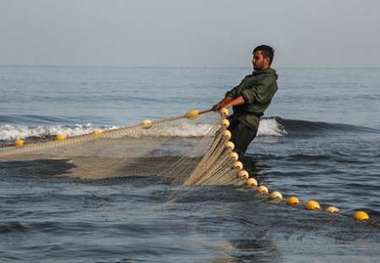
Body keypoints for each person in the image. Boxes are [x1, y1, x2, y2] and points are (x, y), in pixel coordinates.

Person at [212, 45, 278, 157]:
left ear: (266, 60)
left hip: (247, 124)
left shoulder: (269, 79)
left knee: (233, 155)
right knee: (217, 144)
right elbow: (234, 92)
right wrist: (220, 104)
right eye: (253, 58)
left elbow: (250, 95)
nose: (253, 61)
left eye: (257, 58)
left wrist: (227, 106)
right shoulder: (250, 78)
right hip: (236, 119)